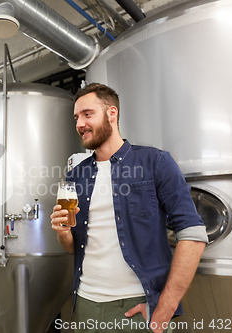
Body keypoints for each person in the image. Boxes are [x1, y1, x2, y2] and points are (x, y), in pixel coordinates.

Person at [50, 83, 208, 333]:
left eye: (87, 114)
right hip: (84, 305)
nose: (80, 123)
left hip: (136, 307)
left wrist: (165, 307)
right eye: (76, 117)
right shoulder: (76, 175)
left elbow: (193, 234)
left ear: (112, 113)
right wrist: (62, 233)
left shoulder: (154, 162)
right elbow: (73, 247)